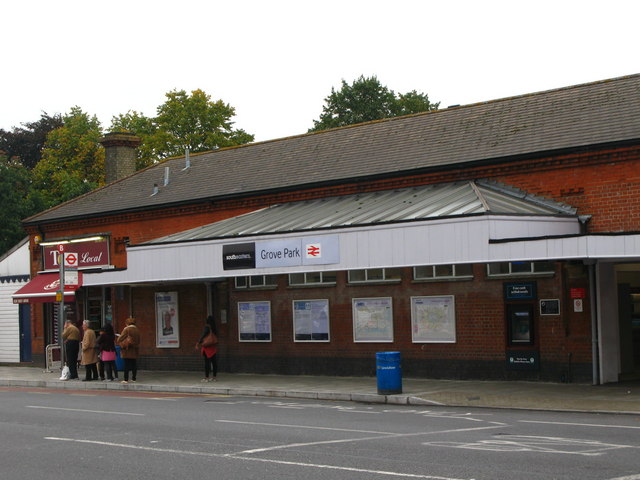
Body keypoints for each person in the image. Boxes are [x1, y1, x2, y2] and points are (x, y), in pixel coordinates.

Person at [117, 317, 140, 384]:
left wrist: (119, 338)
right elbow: (138, 340)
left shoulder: (127, 329)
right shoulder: (137, 330)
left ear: (127, 323)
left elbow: (120, 339)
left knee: (126, 364)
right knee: (134, 364)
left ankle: (126, 379)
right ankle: (134, 378)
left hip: (127, 349)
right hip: (135, 349)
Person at [195, 315, 218, 382]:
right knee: (214, 362)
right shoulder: (214, 328)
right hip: (213, 347)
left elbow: (203, 335)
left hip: (207, 347)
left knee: (207, 363)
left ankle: (206, 377)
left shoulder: (207, 327)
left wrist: (198, 343)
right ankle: (214, 377)